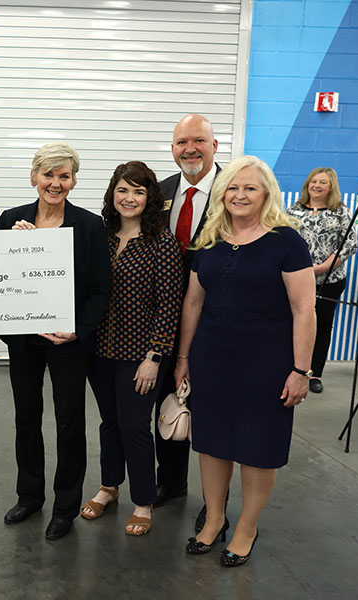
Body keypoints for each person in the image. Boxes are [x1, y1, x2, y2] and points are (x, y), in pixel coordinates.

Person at [175, 155, 315, 567]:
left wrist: (300, 370)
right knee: (212, 443)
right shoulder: (211, 238)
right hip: (212, 357)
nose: (240, 194)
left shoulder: (287, 241)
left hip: (267, 363)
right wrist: (183, 356)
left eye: (250, 187)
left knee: (258, 448)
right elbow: (193, 302)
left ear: (266, 193)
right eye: (233, 187)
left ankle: (246, 527)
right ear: (222, 194)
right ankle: (214, 518)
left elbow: (305, 310)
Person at [0, 143, 110, 540]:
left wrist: (79, 329)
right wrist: (13, 245)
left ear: (74, 181)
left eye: (65, 176)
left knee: (69, 423)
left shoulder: (89, 225)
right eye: (49, 175)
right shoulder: (9, 221)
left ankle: (65, 506)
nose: (56, 183)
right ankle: (29, 496)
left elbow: (100, 289)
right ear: (34, 178)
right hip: (25, 340)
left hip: (68, 342)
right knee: (26, 418)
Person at [82, 161, 182, 536]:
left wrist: (155, 358)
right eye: (123, 190)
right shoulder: (100, 234)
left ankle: (142, 501)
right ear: (112, 194)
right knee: (109, 423)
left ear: (150, 197)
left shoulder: (162, 242)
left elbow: (170, 304)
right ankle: (109, 487)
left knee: (135, 425)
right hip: (99, 349)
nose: (130, 198)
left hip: (141, 355)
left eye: (138, 191)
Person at [156, 114, 222, 529]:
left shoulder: (234, 189)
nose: (190, 149)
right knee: (168, 401)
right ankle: (172, 482)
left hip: (216, 322)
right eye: (182, 142)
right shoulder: (160, 191)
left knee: (214, 410)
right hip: (163, 321)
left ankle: (215, 501)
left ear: (215, 145)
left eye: (198, 140)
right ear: (173, 148)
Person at [286, 167, 357, 394]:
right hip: (295, 280)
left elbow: (350, 244)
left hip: (330, 280)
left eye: (322, 182)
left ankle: (314, 373)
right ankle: (291, 369)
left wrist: (323, 267)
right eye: (313, 181)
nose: (316, 185)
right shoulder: (293, 211)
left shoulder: (341, 212)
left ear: (331, 187)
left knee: (322, 326)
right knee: (292, 324)